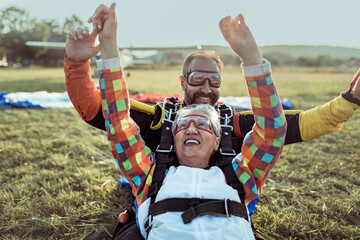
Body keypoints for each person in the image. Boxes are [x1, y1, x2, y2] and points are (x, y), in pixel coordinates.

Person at [64, 3, 360, 239]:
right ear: (182, 82)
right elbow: (108, 116)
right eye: (197, 79)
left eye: (214, 81)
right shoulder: (157, 123)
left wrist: (349, 100)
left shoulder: (236, 140)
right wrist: (81, 63)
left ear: (220, 137)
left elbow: (284, 127)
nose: (206, 89)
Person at [96, 3, 286, 239]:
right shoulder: (152, 175)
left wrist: (251, 58)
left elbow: (272, 131)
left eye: (204, 125)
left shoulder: (240, 175)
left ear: (217, 141)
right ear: (173, 140)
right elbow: (117, 123)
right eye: (182, 125)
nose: (192, 128)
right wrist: (108, 45)